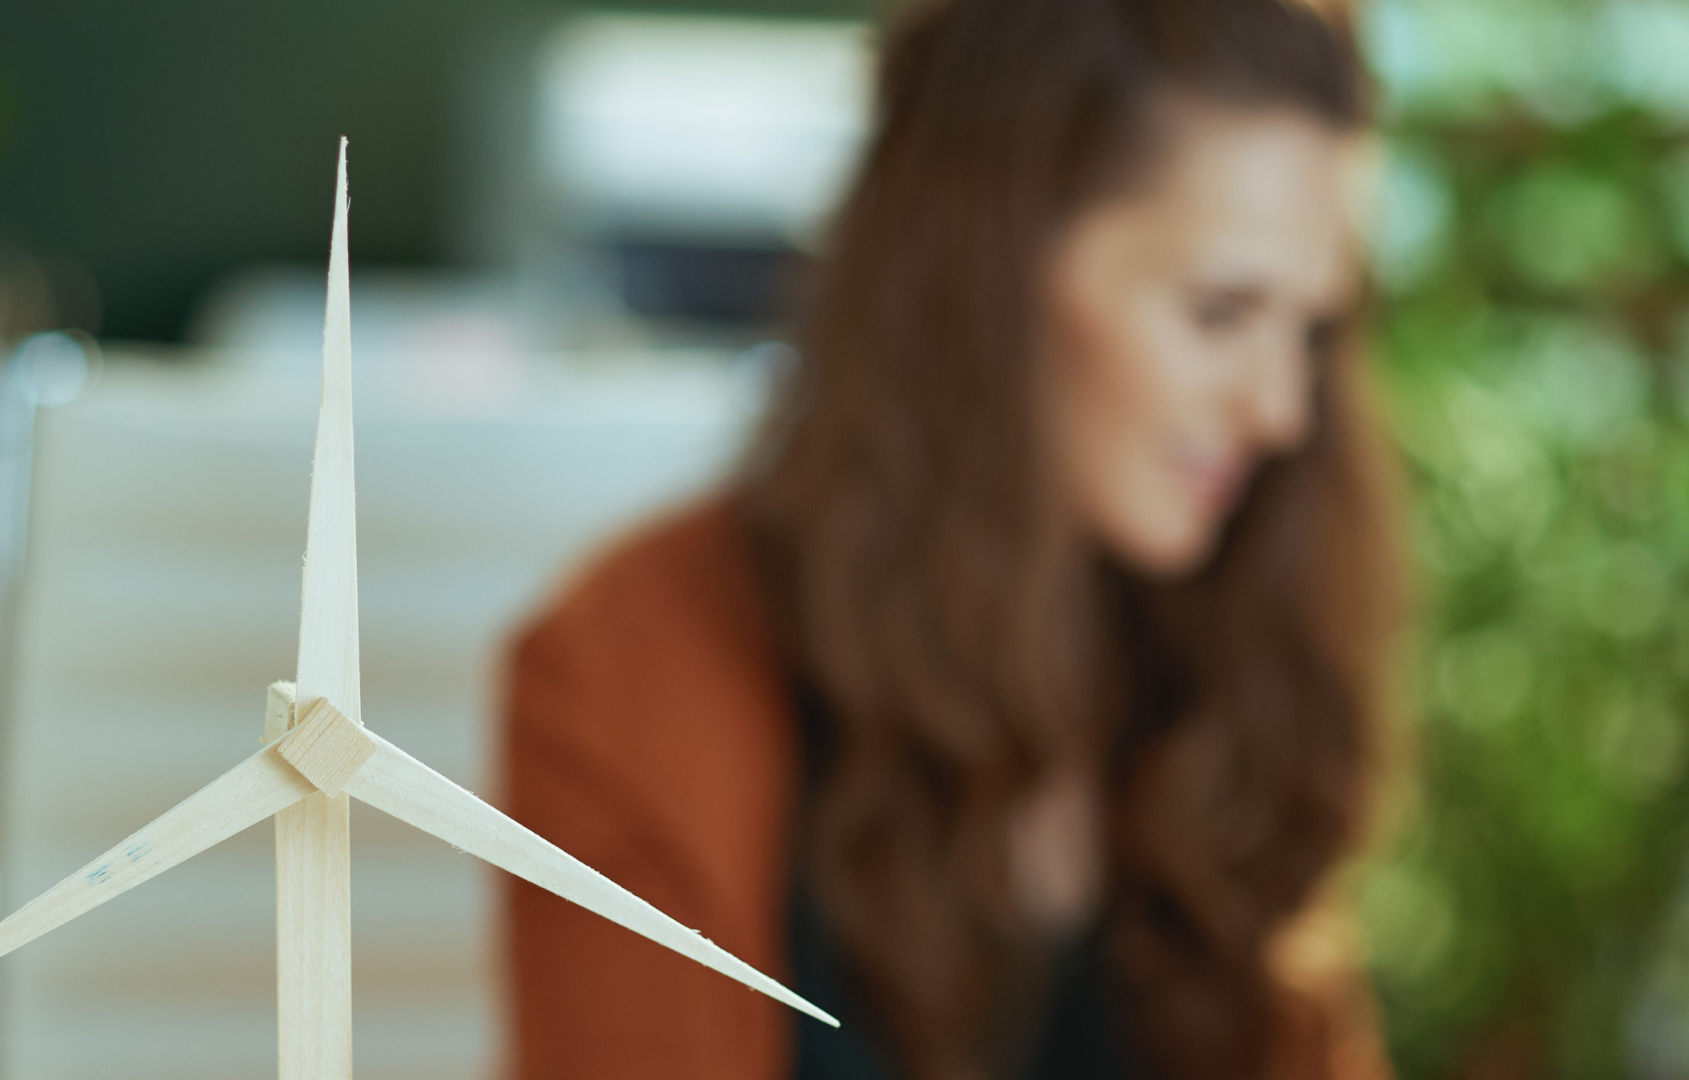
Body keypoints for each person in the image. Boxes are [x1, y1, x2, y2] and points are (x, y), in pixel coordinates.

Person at [500, 0, 1404, 1077]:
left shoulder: (1219, 672)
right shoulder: (623, 677)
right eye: (1218, 313)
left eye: (1310, 330)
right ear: (985, 279)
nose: (1281, 412)